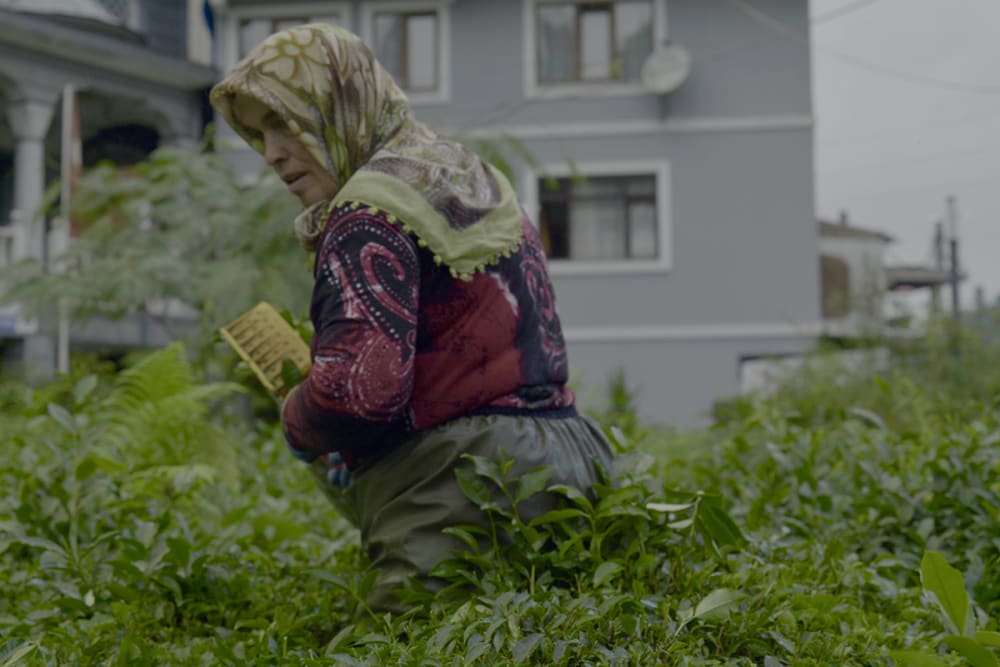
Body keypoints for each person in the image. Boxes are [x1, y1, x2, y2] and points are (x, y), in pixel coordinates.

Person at [210, 23, 614, 613]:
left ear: (335, 106)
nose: (270, 153)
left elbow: (360, 393)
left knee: (399, 647)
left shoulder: (367, 212)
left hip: (464, 484)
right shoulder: (464, 176)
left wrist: (299, 416)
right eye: (257, 132)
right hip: (572, 461)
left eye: (281, 121)